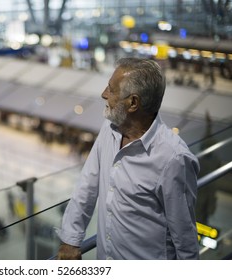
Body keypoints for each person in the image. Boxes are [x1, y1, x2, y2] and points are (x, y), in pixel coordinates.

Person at [57, 58, 200, 260]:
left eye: (111, 89)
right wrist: (70, 239)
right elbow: (87, 184)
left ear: (133, 103)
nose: (104, 94)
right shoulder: (110, 129)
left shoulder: (173, 158)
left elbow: (185, 238)